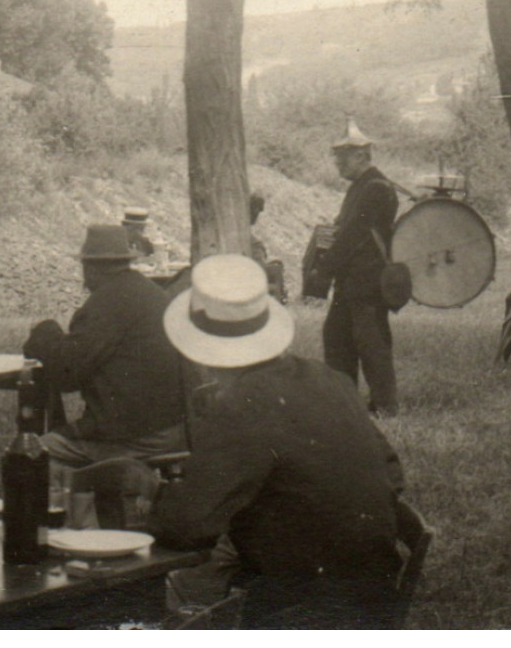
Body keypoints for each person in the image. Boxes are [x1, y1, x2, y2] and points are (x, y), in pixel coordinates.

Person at [155, 253, 405, 628]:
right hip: (377, 594)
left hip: (307, 611)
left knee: (175, 598)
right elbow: (394, 474)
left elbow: (187, 526)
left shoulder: (241, 404)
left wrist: (151, 491)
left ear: (202, 353)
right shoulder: (329, 379)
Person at [23, 225, 189, 466]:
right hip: (174, 429)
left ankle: (67, 502)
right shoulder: (148, 292)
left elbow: (65, 374)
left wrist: (44, 332)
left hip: (136, 437)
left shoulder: (106, 302)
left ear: (90, 268)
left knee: (31, 454)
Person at [310, 119, 400, 416]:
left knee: (371, 343)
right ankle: (346, 404)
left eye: (342, 157)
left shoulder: (374, 188)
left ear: (361, 156)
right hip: (353, 280)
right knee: (337, 338)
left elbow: (352, 236)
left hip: (368, 280)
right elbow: (347, 231)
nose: (337, 163)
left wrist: (324, 269)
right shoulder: (362, 187)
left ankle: (385, 406)